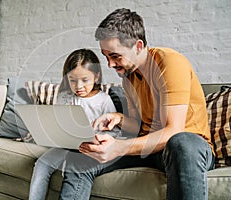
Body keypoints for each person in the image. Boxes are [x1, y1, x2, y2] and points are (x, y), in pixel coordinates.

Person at [59, 8, 215, 200]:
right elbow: (138, 126)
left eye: (115, 56)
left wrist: (119, 147)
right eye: (106, 56)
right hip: (147, 149)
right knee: (80, 159)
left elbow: (173, 131)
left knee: (182, 142)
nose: (110, 65)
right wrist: (118, 118)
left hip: (187, 150)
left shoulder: (169, 62)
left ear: (138, 46)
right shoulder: (128, 78)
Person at [28, 48, 121, 200]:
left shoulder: (103, 100)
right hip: (66, 146)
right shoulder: (64, 97)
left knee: (76, 165)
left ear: (96, 76)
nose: (78, 86)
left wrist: (97, 137)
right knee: (41, 164)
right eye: (72, 80)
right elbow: (58, 122)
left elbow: (115, 132)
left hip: (90, 149)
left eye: (85, 80)